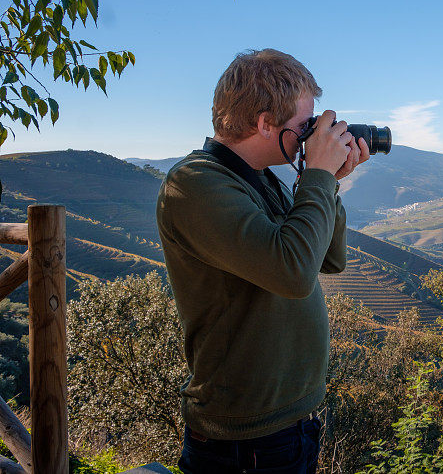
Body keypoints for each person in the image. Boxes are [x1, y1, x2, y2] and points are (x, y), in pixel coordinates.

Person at [156, 48, 369, 473]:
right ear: (265, 122)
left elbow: (328, 258)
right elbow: (292, 273)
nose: (311, 135)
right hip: (246, 439)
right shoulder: (196, 183)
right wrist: (318, 178)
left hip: (289, 424)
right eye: (304, 126)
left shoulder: (259, 178)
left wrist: (329, 182)